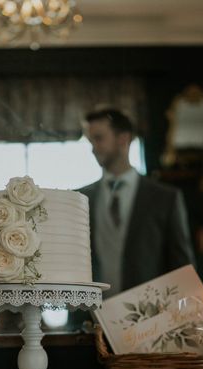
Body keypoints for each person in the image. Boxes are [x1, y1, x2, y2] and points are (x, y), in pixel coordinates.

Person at [79, 106, 196, 300]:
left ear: (123, 139)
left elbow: (182, 267)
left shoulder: (165, 198)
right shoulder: (81, 198)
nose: (93, 147)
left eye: (99, 138)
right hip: (91, 319)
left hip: (149, 320)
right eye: (91, 141)